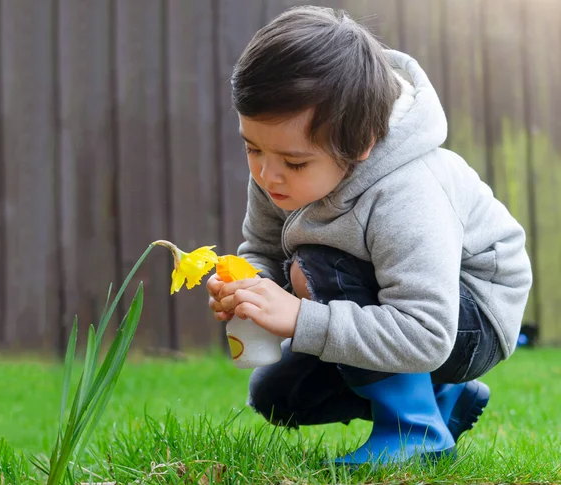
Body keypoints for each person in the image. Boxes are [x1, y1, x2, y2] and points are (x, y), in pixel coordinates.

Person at [206, 6, 532, 466]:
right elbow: (261, 251)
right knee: (279, 393)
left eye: (294, 162)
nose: (266, 174)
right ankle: (443, 399)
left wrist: (300, 318)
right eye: (251, 147)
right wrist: (250, 291)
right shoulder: (275, 173)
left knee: (313, 266)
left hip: (467, 321)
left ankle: (414, 429)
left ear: (361, 146)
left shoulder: (407, 193)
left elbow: (426, 330)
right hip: (403, 313)